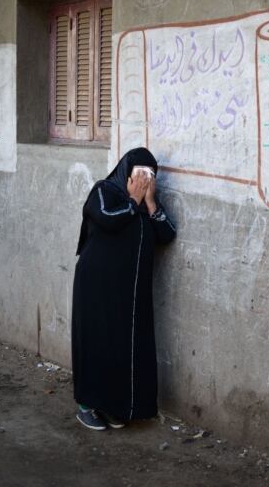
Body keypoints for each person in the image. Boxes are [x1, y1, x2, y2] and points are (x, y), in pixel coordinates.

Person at [71, 147, 176, 430]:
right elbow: (107, 218)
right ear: (125, 172)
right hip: (97, 285)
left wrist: (151, 203)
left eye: (150, 175)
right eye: (139, 173)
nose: (144, 179)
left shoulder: (147, 203)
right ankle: (87, 405)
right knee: (96, 342)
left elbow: (167, 234)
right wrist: (133, 200)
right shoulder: (104, 191)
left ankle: (114, 406)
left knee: (122, 348)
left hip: (130, 291)